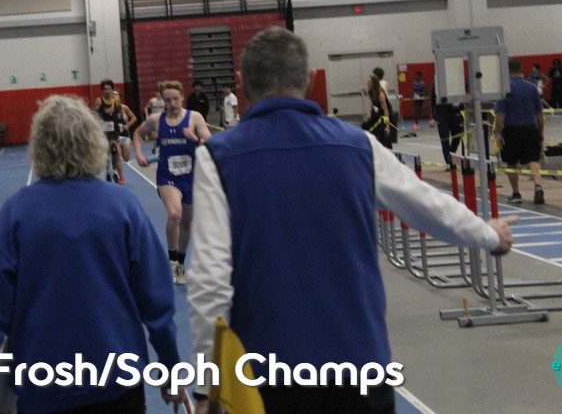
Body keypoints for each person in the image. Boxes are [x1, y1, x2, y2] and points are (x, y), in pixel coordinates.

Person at [187, 28, 516, 413]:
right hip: (360, 365)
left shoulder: (218, 157)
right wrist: (488, 235)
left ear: (241, 84)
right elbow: (427, 205)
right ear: (311, 80)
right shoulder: (359, 146)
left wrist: (207, 386)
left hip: (268, 373)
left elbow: (210, 279)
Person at [0, 95, 184, 414]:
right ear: (93, 143)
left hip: (43, 386)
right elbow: (156, 300)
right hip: (117, 381)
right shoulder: (123, 206)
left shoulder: (16, 213)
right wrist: (170, 368)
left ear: (39, 147)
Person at [133, 80, 213, 285]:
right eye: (167, 100)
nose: (172, 103)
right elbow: (138, 133)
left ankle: (181, 262)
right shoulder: (156, 120)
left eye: (175, 99)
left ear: (182, 97)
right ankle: (171, 261)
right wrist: (139, 154)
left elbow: (210, 143)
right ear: (163, 101)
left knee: (187, 222)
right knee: (175, 214)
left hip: (192, 176)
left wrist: (194, 138)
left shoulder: (194, 117)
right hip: (167, 176)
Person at [494, 58, 546, 205]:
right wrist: (540, 132)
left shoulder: (504, 89)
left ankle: (516, 193)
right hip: (530, 128)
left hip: (511, 130)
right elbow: (539, 114)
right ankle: (537, 186)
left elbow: (500, 115)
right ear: (521, 68)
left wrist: (498, 133)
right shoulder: (531, 87)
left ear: (507, 70)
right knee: (533, 159)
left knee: (511, 163)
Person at [93, 79, 126, 183]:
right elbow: (94, 115)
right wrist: (105, 112)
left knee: (115, 151)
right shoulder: (99, 101)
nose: (107, 91)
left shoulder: (115, 101)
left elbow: (119, 113)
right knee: (107, 153)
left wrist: (122, 119)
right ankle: (108, 171)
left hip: (114, 129)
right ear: (102, 90)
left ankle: (117, 174)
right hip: (104, 130)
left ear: (112, 90)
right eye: (105, 89)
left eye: (109, 89)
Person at [363, 73, 393, 149]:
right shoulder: (371, 91)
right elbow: (372, 102)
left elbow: (385, 110)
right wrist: (369, 113)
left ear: (374, 83)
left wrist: (387, 126)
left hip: (384, 113)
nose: (367, 83)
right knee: (365, 125)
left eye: (369, 82)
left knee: (381, 130)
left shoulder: (380, 94)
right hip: (377, 112)